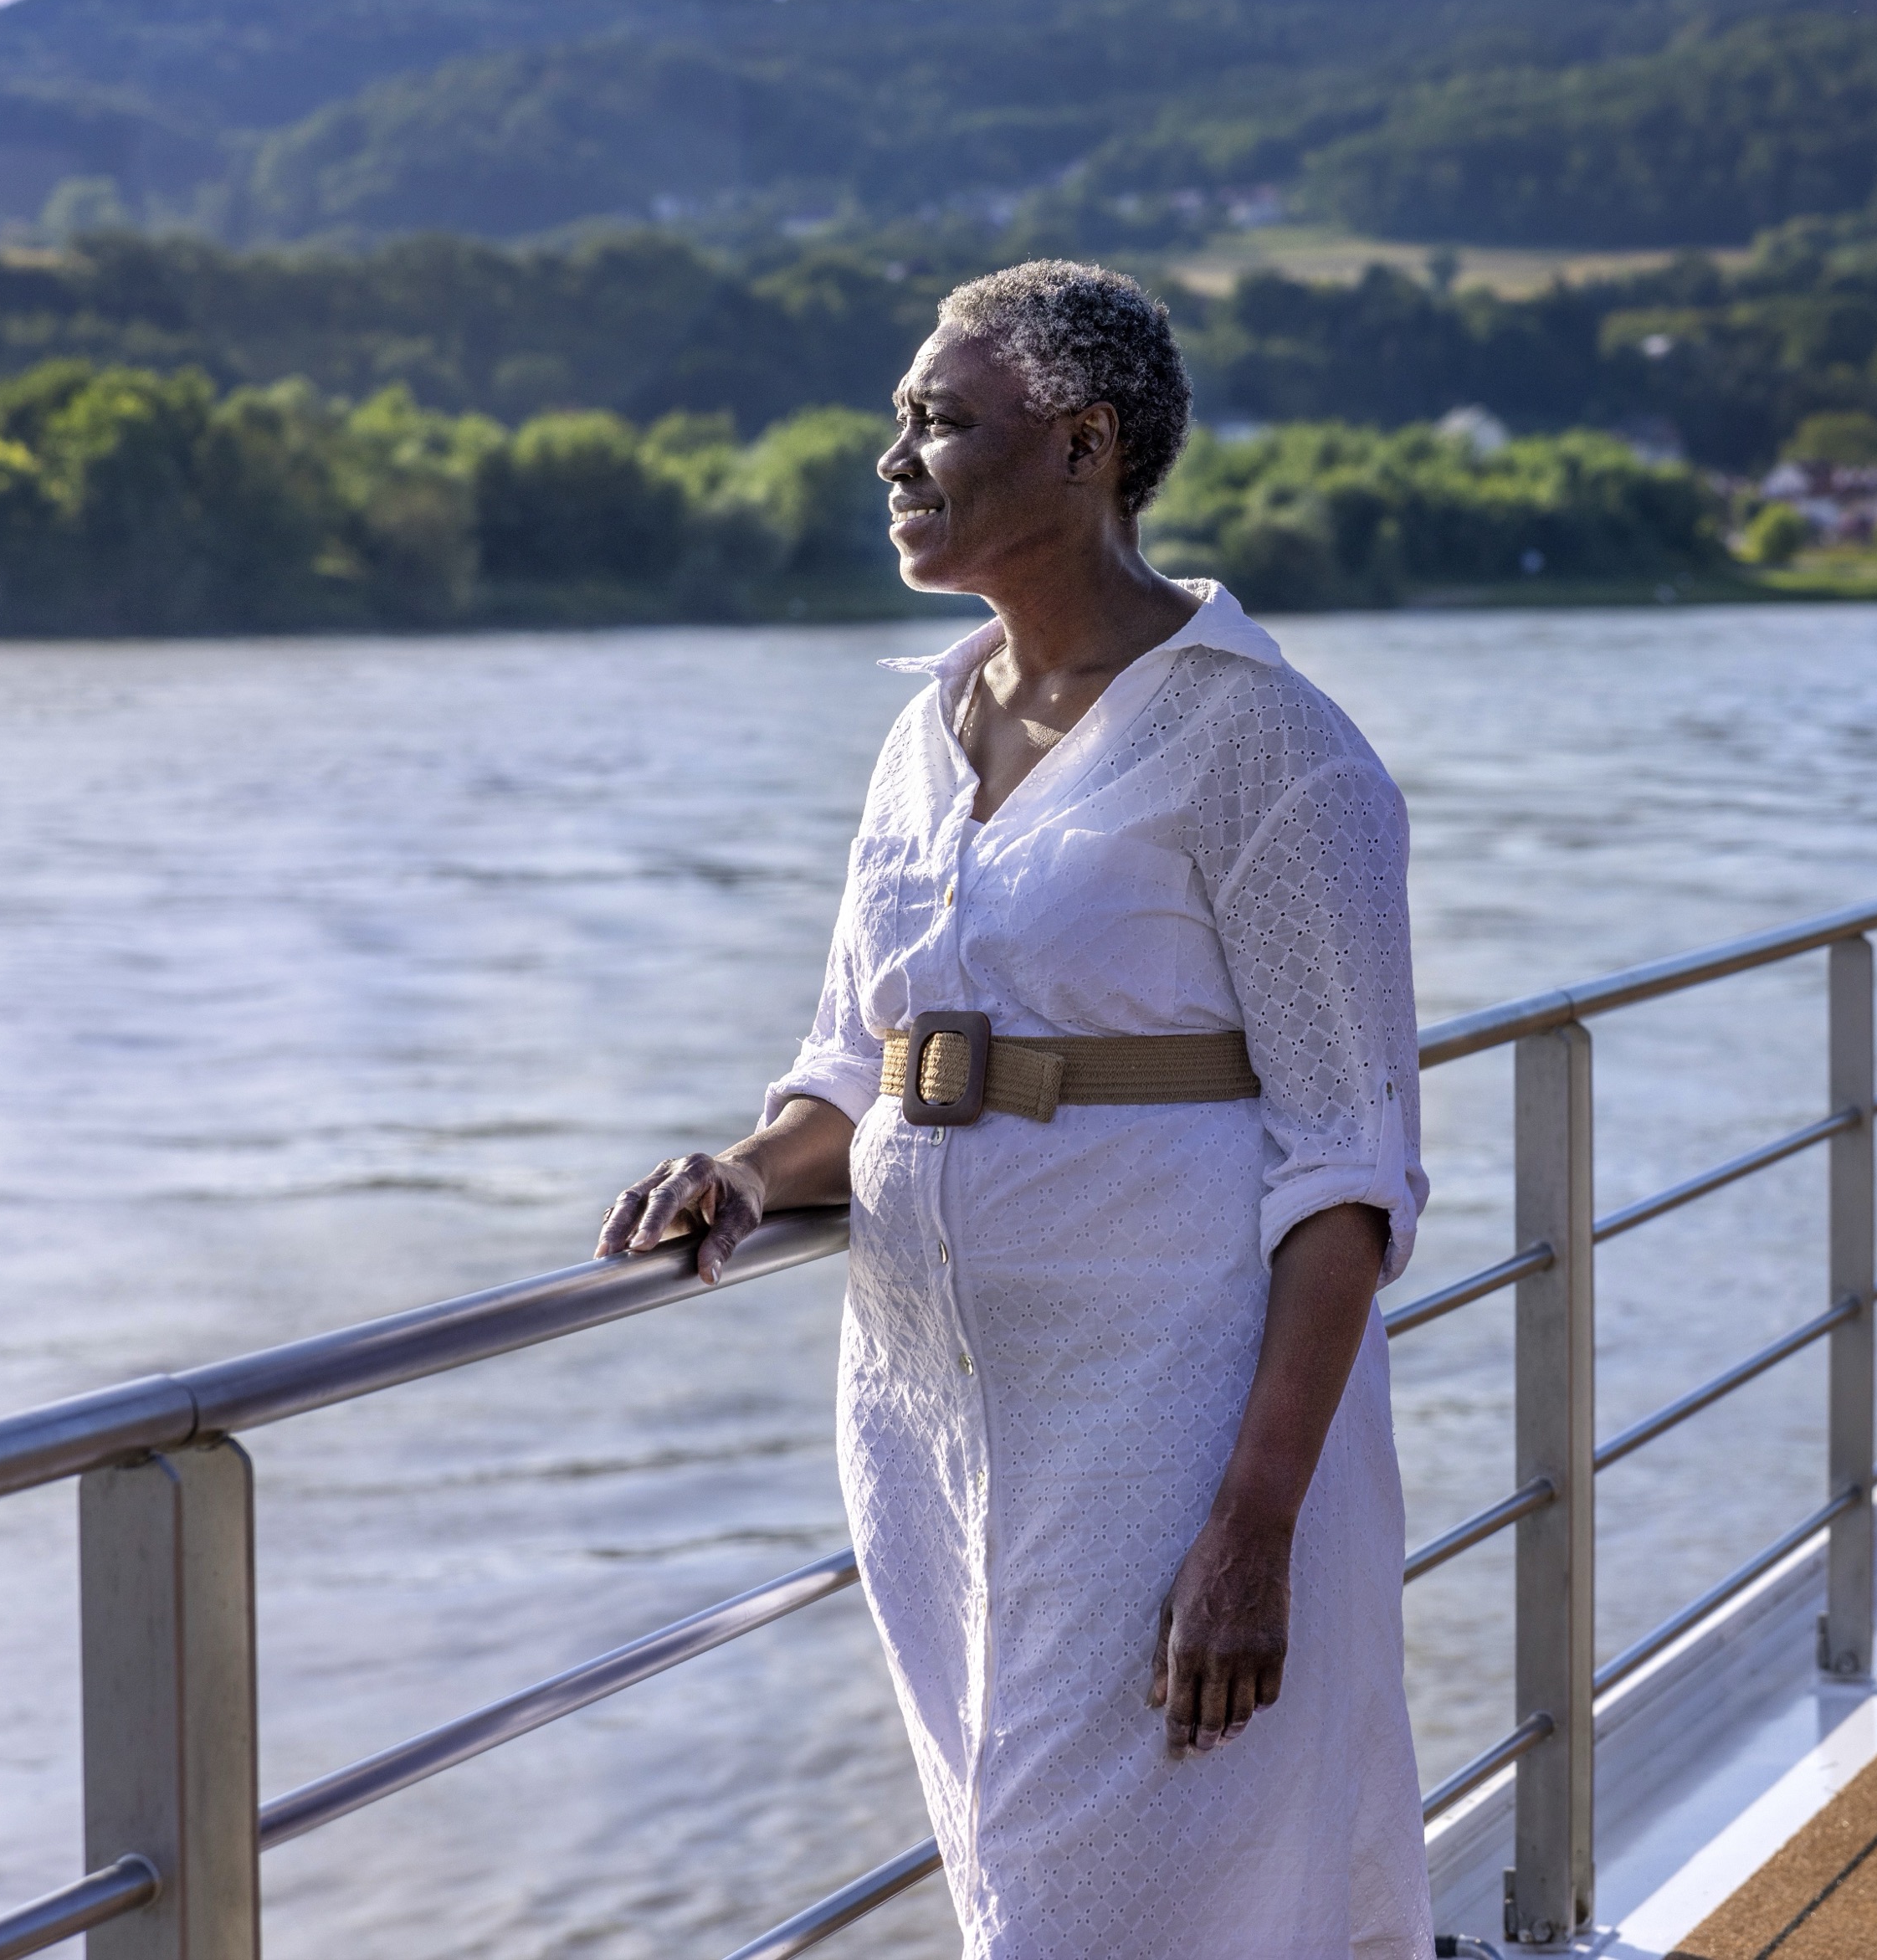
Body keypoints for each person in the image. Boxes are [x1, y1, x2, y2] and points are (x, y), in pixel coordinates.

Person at [596, 261, 1433, 1958]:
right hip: (931, 1432)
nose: (894, 457)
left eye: (939, 419)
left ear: (1082, 444)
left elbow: (1349, 1169)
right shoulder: (922, 735)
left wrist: (1254, 1526)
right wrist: (744, 1171)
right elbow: (855, 1066)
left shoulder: (1268, 747)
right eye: (898, 420)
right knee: (1010, 1866)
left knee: (1112, 1887)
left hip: (1166, 1431)